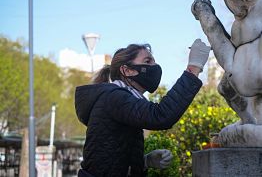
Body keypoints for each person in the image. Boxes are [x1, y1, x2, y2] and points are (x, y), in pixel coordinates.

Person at [75, 39, 211, 177]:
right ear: (127, 70)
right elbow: (160, 116)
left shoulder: (123, 98)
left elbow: (112, 154)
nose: (155, 66)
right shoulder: (114, 97)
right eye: (147, 62)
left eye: (154, 61)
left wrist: (144, 162)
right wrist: (193, 68)